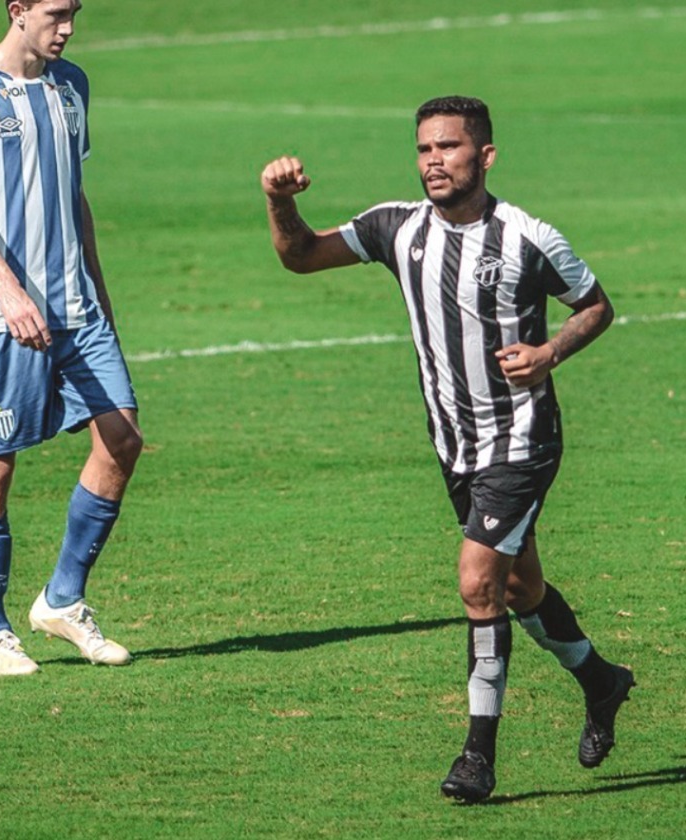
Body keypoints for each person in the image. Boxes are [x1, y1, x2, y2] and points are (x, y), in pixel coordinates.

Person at [259, 95, 635, 803]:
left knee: (476, 580)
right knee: (520, 587)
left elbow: (596, 306)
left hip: (521, 439)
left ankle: (477, 757)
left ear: (484, 156)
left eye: (450, 148)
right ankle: (602, 681)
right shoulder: (394, 228)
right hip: (454, 444)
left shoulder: (528, 237)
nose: (434, 160)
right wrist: (277, 200)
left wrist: (551, 351)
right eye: (425, 148)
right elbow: (302, 256)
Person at [0, 0, 141, 676]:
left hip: (77, 308)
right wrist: (10, 290)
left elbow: (73, 194)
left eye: (75, 13)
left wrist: (100, 292)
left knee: (122, 437)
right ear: (17, 10)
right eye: (56, 13)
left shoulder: (71, 84)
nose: (69, 27)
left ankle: (62, 600)